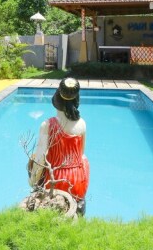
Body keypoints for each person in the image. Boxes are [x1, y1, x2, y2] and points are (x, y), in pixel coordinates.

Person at [28, 77, 89, 211]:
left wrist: (33, 182)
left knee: (33, 160)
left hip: (55, 181)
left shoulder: (47, 125)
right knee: (84, 159)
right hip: (78, 182)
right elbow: (81, 154)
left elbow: (40, 158)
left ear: (57, 98)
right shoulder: (82, 124)